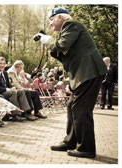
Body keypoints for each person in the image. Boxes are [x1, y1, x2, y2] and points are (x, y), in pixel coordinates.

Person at [37, 7, 108, 158]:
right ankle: (70, 141)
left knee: (81, 109)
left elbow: (61, 45)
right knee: (72, 106)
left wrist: (47, 40)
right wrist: (49, 43)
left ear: (60, 18)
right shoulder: (68, 32)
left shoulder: (71, 25)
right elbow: (65, 57)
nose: (50, 24)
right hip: (84, 73)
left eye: (51, 20)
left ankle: (86, 148)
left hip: (89, 72)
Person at [0, 57, 31, 122]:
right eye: (0, 63)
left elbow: (8, 84)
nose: (2, 65)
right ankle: (15, 115)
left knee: (21, 91)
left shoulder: (5, 73)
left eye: (4, 64)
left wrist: (11, 87)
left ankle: (26, 112)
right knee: (13, 92)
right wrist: (7, 89)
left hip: (7, 91)